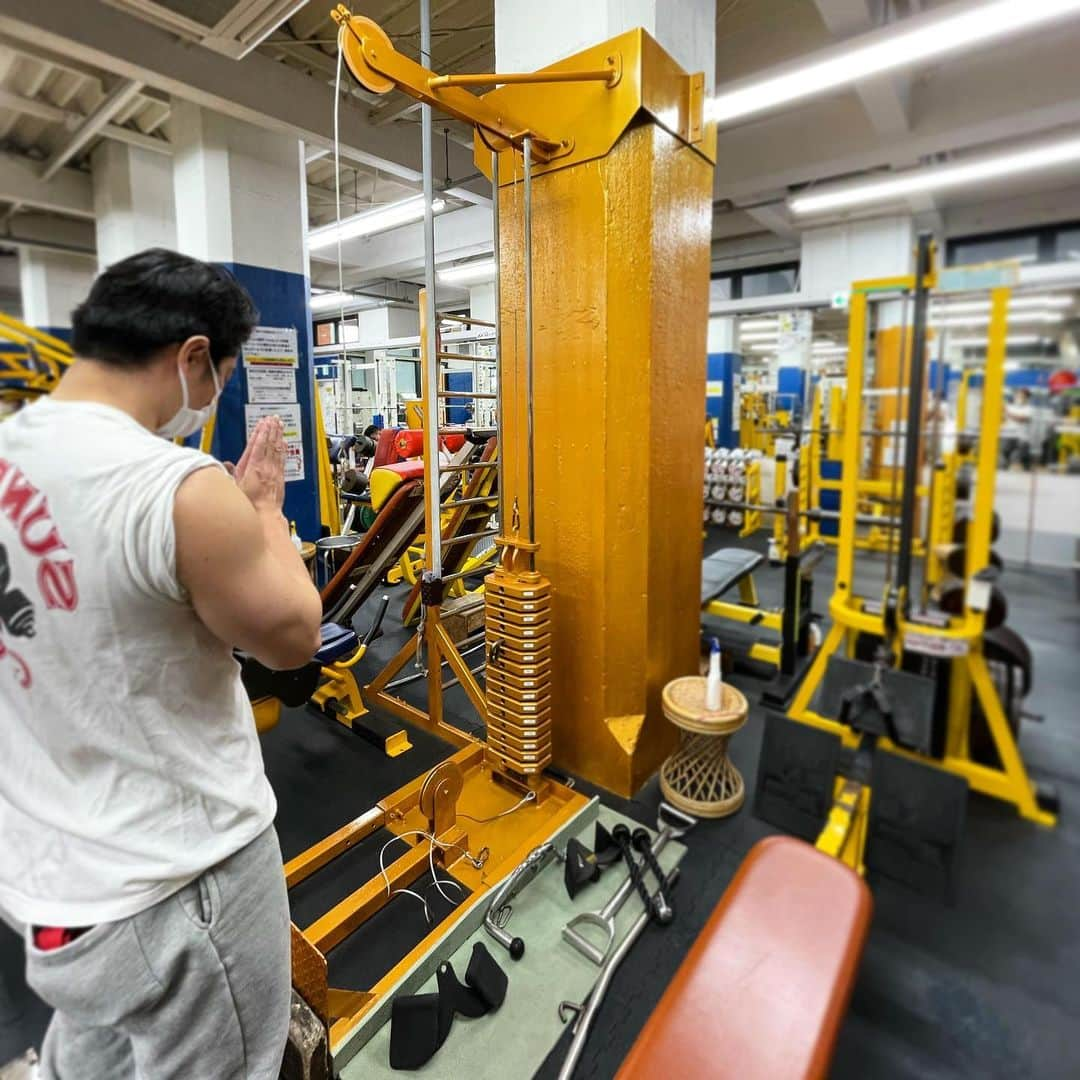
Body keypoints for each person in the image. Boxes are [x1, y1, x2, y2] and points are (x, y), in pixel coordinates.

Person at [0, 249, 322, 1079]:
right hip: (182, 885)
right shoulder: (173, 487)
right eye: (217, 376)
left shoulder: (9, 450)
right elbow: (293, 638)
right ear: (189, 357)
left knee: (89, 1064)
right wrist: (261, 512)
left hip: (54, 892)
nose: (210, 397)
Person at [1001, 387, 1034, 470]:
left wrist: (1008, 413)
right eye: (1018, 395)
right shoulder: (1010, 407)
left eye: (1022, 396)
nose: (1019, 397)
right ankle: (1004, 467)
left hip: (1021, 436)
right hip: (1008, 434)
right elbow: (1003, 418)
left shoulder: (1029, 409)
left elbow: (1022, 419)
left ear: (1027, 398)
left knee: (1020, 454)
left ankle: (1026, 467)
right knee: (1005, 452)